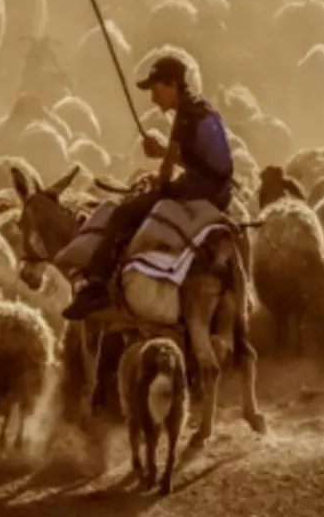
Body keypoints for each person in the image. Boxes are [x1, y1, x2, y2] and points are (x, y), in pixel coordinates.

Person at [62, 55, 235, 322]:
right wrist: (162, 152)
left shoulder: (185, 116)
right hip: (216, 188)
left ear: (173, 85)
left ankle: (96, 285)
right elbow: (197, 159)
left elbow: (168, 172)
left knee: (123, 213)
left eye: (156, 90)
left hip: (204, 191)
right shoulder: (201, 108)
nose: (153, 99)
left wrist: (161, 182)